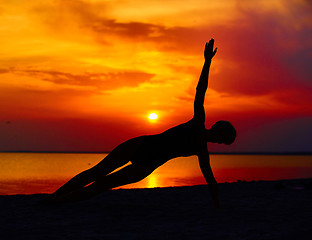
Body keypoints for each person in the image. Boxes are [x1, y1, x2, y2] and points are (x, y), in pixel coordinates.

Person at [44, 39, 236, 208]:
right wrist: (207, 62)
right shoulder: (197, 122)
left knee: (102, 184)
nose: (219, 141)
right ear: (217, 128)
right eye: (222, 137)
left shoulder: (201, 150)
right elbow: (200, 91)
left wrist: (217, 205)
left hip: (146, 166)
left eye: (223, 142)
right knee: (96, 172)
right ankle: (55, 197)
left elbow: (210, 179)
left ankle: (58, 202)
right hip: (141, 144)